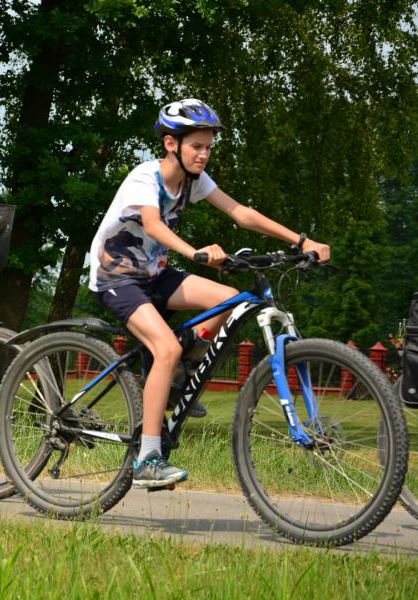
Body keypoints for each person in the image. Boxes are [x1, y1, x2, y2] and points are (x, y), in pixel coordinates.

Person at [88, 98, 331, 489]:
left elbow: (240, 213)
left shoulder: (194, 182)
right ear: (171, 144)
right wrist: (194, 253)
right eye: (197, 146)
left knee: (229, 299)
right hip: (117, 277)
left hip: (154, 274)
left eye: (208, 148)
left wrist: (302, 241)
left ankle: (179, 374)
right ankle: (147, 459)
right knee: (165, 348)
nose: (204, 154)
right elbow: (152, 225)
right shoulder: (145, 178)